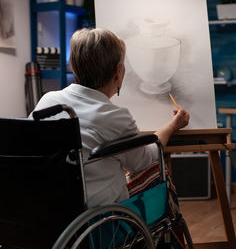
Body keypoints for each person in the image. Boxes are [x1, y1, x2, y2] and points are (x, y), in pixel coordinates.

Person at [29, 28, 190, 208]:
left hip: (48, 210)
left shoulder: (47, 101)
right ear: (118, 70)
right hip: (97, 217)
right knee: (158, 172)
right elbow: (145, 160)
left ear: (74, 66)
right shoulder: (113, 116)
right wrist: (172, 126)